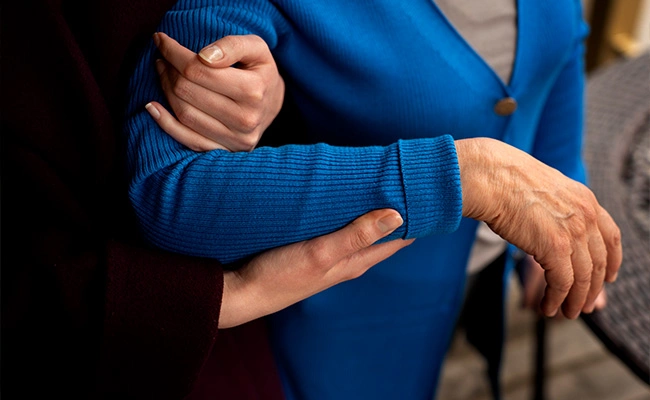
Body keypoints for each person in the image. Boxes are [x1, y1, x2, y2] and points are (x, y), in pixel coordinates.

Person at [123, 1, 623, 399]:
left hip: (470, 289)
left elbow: (562, 49)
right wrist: (467, 178)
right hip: (339, 328)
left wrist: (560, 186)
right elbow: (168, 196)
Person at [0, 1, 414, 399]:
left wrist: (265, 94)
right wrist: (232, 296)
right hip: (107, 332)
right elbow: (167, 198)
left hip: (212, 308)